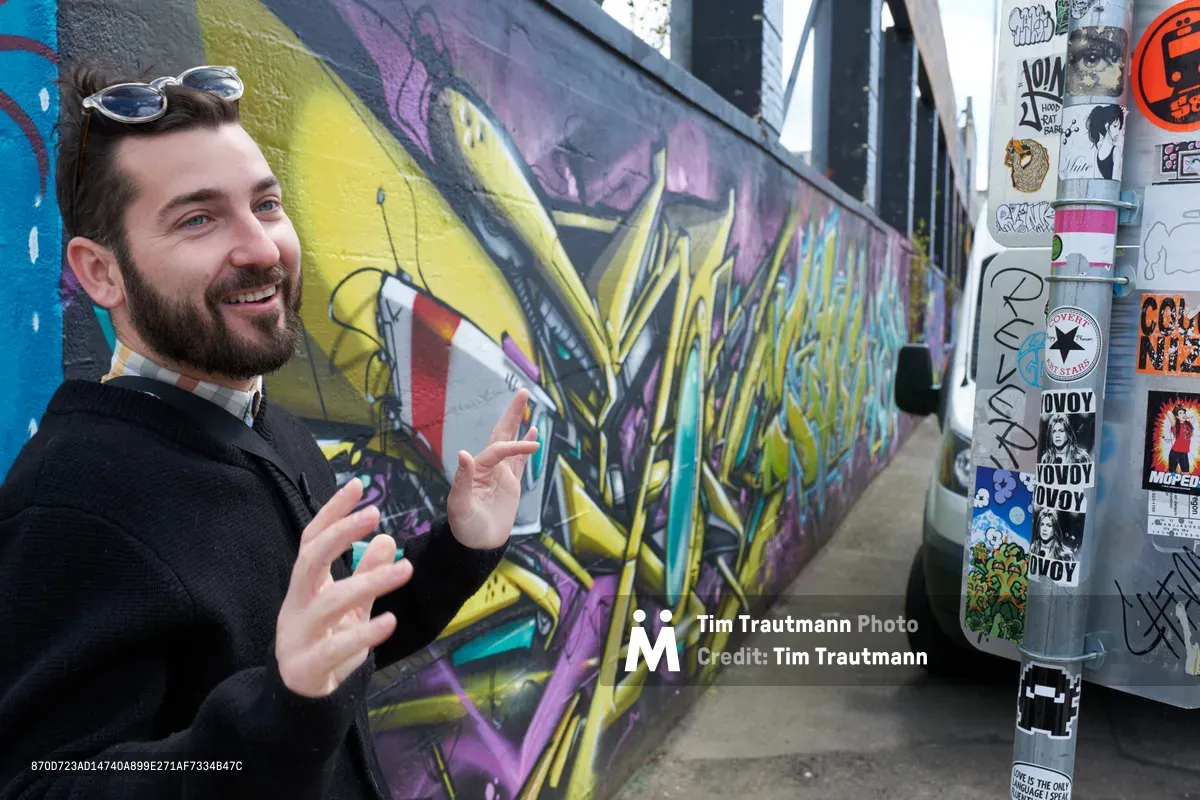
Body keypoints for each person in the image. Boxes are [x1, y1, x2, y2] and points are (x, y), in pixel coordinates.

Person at [0, 63, 539, 799]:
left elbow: (336, 647)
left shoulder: (272, 431)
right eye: (198, 218)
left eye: (266, 204)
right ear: (101, 274)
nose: (261, 248)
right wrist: (276, 715)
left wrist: (461, 546)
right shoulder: (72, 500)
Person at [1164, 404, 1195, 473]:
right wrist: (1177, 414)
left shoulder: (1189, 424)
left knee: (1186, 475)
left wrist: (1183, 415)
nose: (1183, 414)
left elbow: (1193, 414)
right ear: (1176, 416)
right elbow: (1169, 412)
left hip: (1184, 454)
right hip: (1174, 453)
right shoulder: (1175, 425)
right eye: (1180, 413)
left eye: (1184, 412)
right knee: (1171, 475)